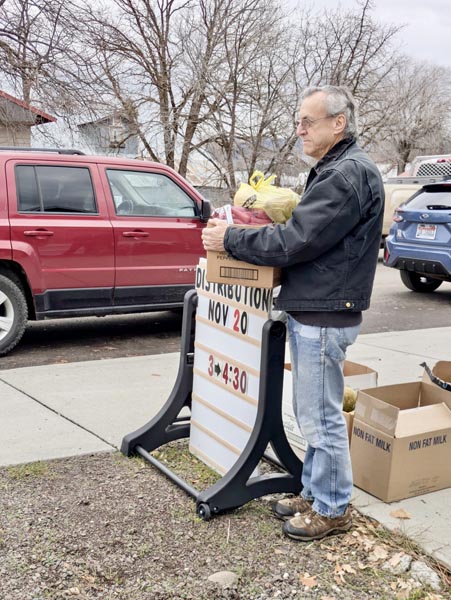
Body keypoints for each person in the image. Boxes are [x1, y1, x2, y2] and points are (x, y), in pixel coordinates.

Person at [202, 85, 384, 542]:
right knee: (310, 412)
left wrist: (230, 238)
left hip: (325, 314)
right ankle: (315, 490)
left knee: (319, 416)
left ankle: (333, 508)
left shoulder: (346, 175)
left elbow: (296, 240)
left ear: (337, 123)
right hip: (316, 307)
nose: (299, 129)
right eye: (299, 121)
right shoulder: (336, 170)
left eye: (308, 121)